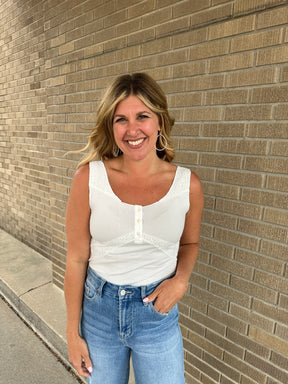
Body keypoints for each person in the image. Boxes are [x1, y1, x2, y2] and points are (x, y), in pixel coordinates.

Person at [64, 72, 204, 384]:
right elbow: (75, 258)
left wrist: (181, 281)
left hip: (157, 317)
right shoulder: (89, 179)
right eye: (120, 119)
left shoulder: (187, 185)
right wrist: (73, 334)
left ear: (159, 122)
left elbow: (190, 244)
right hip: (98, 312)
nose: (132, 129)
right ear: (110, 126)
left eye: (142, 116)